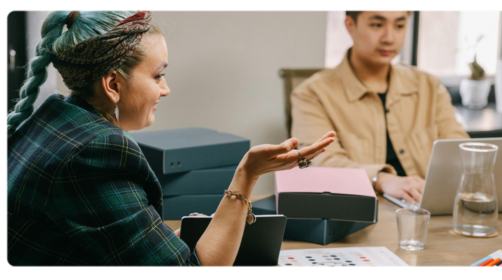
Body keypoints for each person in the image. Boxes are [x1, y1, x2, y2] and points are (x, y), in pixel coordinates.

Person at [5, 8, 335, 269]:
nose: (166, 88)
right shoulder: (95, 153)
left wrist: (160, 240)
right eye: (158, 75)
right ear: (113, 85)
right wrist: (248, 173)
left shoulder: (53, 120)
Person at [291, 8, 469, 205]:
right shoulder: (312, 94)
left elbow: (459, 150)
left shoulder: (429, 86)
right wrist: (381, 179)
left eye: (399, 26)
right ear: (351, 26)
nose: (389, 38)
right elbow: (322, 162)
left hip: (428, 208)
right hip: (358, 210)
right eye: (377, 25)